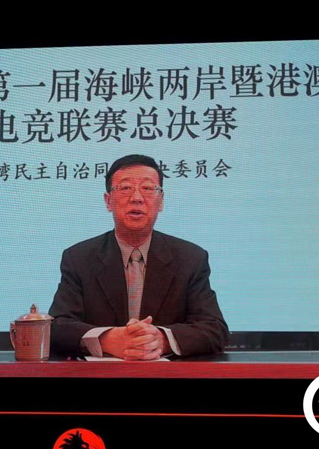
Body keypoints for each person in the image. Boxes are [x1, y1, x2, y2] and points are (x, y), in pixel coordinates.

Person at [49, 154, 229, 360]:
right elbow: (58, 326)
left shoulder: (190, 258)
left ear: (161, 201)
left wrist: (161, 339)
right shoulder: (79, 258)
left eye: (148, 188)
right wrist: (106, 339)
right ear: (108, 201)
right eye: (125, 188)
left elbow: (214, 329)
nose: (137, 197)